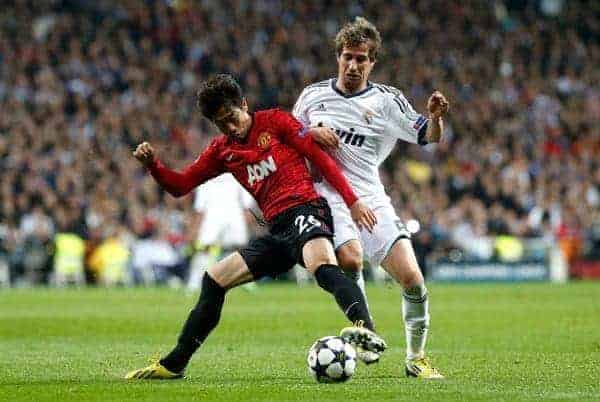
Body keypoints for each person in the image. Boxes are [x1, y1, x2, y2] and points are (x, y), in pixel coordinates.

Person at [125, 74, 385, 380]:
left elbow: (320, 158)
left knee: (322, 266)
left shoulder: (275, 121)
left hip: (305, 209)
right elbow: (181, 186)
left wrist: (352, 201)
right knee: (214, 280)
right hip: (277, 230)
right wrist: (154, 165)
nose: (230, 128)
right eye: (221, 124)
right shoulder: (221, 151)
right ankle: (174, 364)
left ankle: (366, 331)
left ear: (244, 105)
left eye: (232, 118)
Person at [293, 17, 450, 379]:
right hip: (327, 195)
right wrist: (311, 132)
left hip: (369, 196)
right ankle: (366, 329)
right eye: (348, 57)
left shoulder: (387, 100)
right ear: (338, 57)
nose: (353, 65)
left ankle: (416, 358)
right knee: (350, 257)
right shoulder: (313, 96)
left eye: (361, 59)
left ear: (372, 62)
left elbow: (429, 135)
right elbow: (290, 136)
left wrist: (436, 118)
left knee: (412, 278)